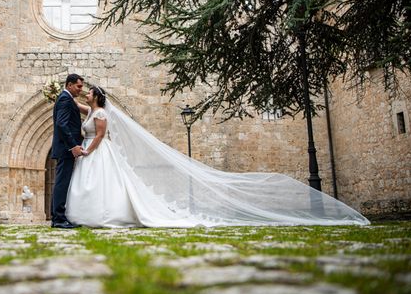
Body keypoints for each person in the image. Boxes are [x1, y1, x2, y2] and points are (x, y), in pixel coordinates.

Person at [65, 85, 370, 228]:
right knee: (98, 185)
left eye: (88, 92)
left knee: (107, 186)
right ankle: (92, 214)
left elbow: (101, 133)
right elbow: (81, 110)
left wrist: (86, 150)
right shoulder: (92, 109)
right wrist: (62, 96)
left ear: (97, 97)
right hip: (94, 153)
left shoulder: (102, 113)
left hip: (98, 151)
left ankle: (106, 215)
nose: (86, 94)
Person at [50, 73, 84, 228]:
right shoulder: (65, 99)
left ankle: (58, 217)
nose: (81, 89)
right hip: (66, 149)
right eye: (78, 86)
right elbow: (62, 124)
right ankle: (58, 219)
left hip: (65, 148)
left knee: (61, 182)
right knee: (62, 183)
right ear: (69, 85)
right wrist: (73, 146)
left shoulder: (67, 98)